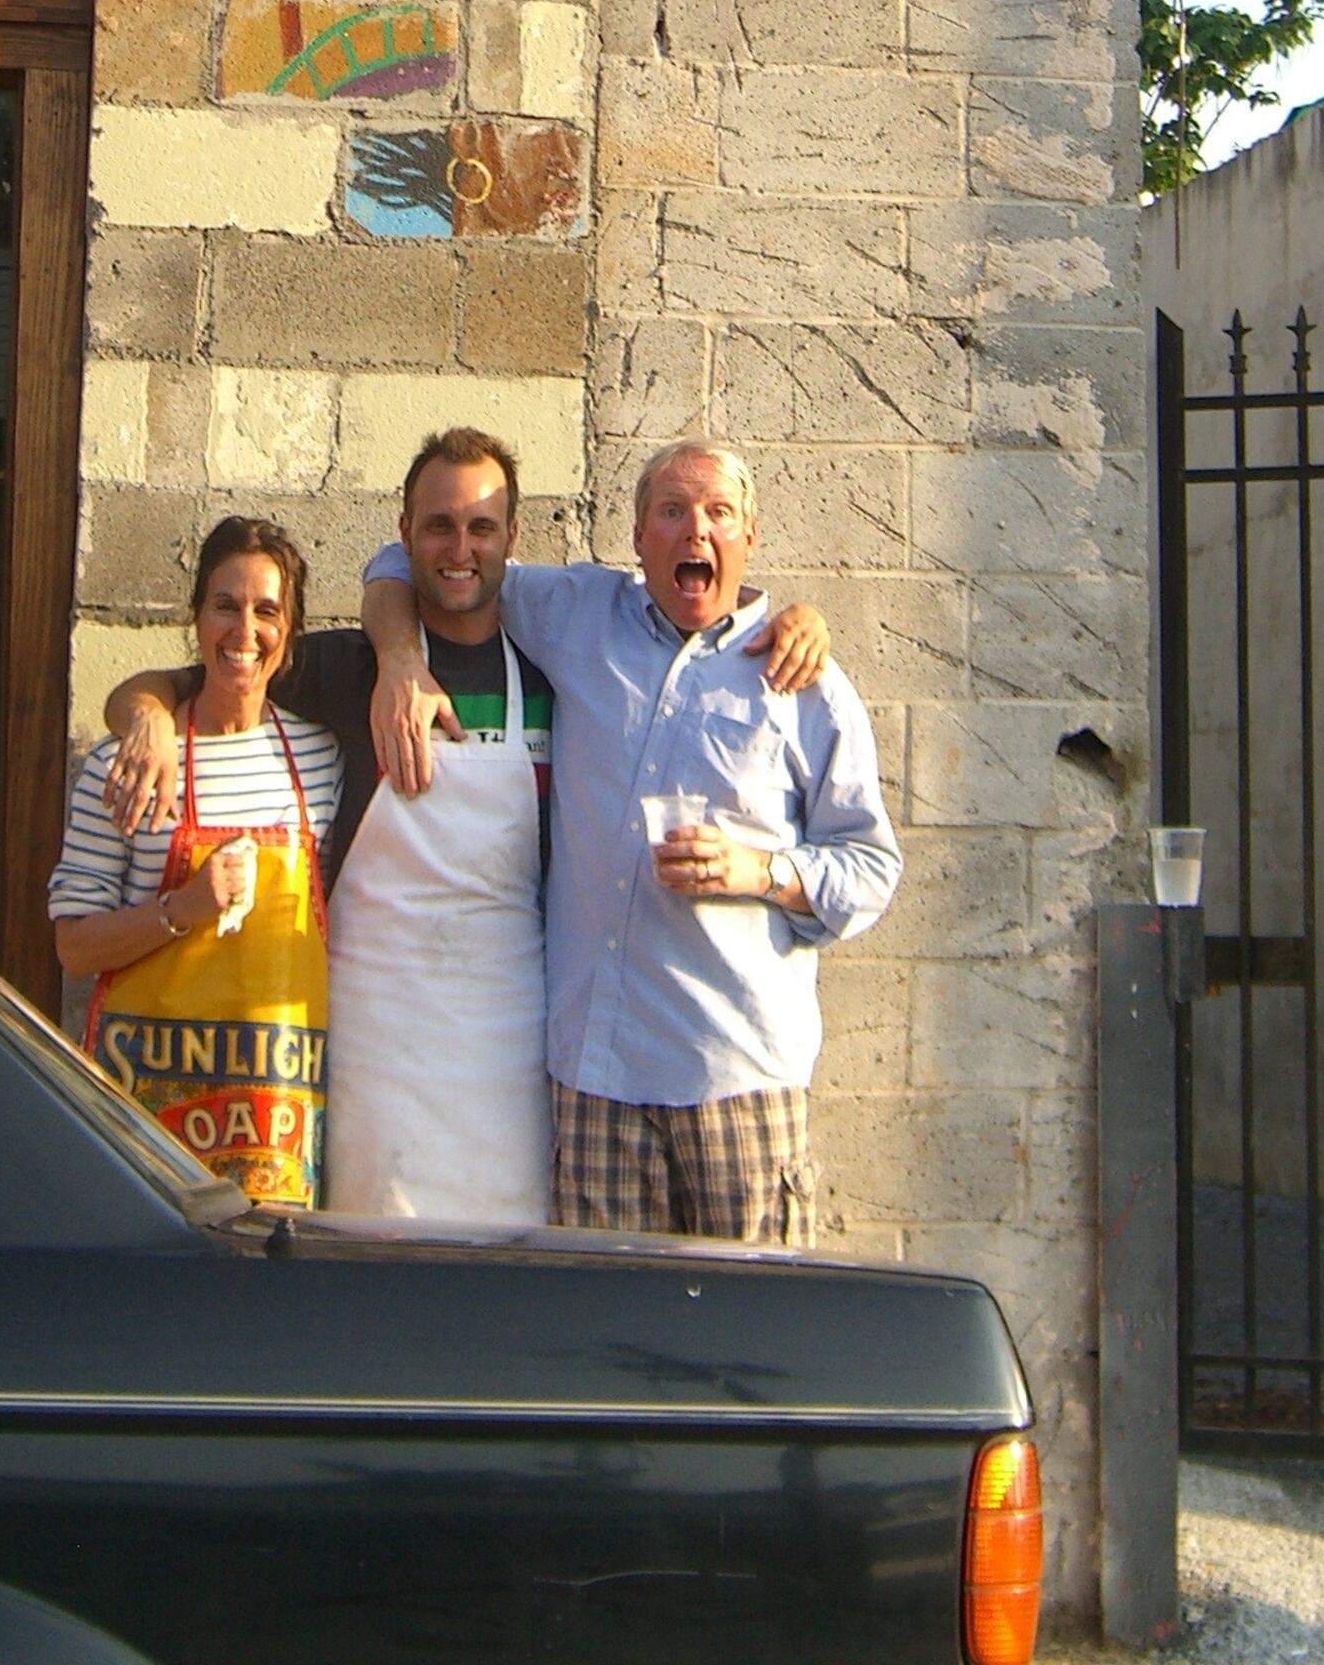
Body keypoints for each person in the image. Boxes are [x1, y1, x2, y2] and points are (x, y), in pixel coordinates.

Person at [101, 432, 831, 1220]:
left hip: (513, 1034)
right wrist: (144, 719)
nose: (460, 547)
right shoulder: (350, 667)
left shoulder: (558, 661)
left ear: (511, 542)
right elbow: (186, 679)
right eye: (439, 526)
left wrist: (798, 615)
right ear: (405, 533)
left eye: (481, 528)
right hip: (376, 1040)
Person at [365, 439, 896, 1247]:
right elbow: (414, 560)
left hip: (736, 1076)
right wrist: (399, 658)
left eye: (720, 513)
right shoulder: (580, 613)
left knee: (750, 1349)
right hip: (595, 1082)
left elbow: (870, 867)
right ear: (638, 536)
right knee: (602, 1342)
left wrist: (765, 871)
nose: (696, 532)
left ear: (751, 537)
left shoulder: (806, 683)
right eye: (672, 512)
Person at [51, 517, 336, 1205]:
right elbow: (74, 947)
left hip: (279, 1129)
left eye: (267, 610)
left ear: (290, 631)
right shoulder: (127, 767)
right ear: (195, 618)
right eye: (225, 606)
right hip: (147, 1118)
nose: (245, 631)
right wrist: (184, 909)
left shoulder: (325, 759)